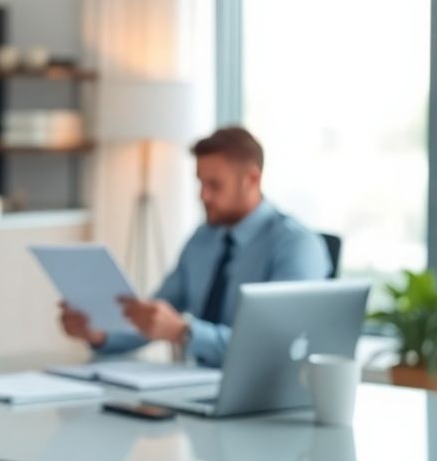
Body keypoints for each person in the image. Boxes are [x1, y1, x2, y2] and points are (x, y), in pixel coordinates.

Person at [60, 126, 331, 367]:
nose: (203, 196)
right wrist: (100, 335)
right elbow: (155, 314)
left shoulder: (297, 246)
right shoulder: (203, 239)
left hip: (261, 398)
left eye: (215, 185)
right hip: (194, 386)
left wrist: (184, 332)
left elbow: (275, 346)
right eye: (200, 182)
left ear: (252, 179)